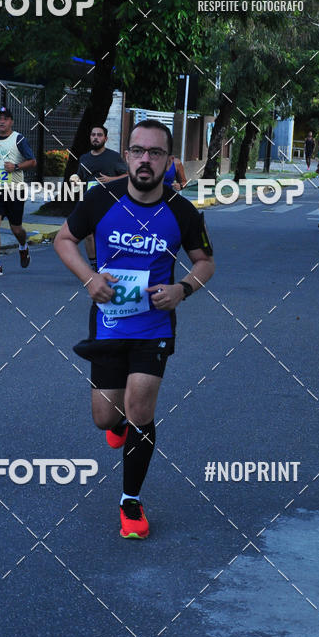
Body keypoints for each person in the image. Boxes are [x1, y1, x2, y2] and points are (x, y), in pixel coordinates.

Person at [54, 119, 214, 539]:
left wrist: (182, 289)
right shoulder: (101, 198)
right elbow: (63, 240)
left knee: (141, 409)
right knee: (105, 418)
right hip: (109, 323)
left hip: (154, 326)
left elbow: (205, 262)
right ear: (126, 155)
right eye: (138, 151)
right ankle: (119, 425)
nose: (146, 160)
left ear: (168, 161)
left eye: (155, 153)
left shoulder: (182, 211)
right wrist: (90, 278)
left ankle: (130, 501)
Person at [0, 107, 36, 276]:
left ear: (11, 122)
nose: (2, 121)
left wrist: (16, 166)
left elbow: (33, 161)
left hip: (14, 191)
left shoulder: (18, 139)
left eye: (5, 118)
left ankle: (23, 246)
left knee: (16, 229)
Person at [77, 125, 128, 269]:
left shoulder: (113, 157)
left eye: (99, 135)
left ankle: (110, 263)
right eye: (93, 135)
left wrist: (111, 180)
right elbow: (80, 177)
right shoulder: (84, 158)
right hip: (89, 201)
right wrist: (75, 179)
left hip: (109, 202)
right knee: (88, 235)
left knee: (107, 235)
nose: (95, 138)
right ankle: (94, 265)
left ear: (106, 138)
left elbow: (128, 175)